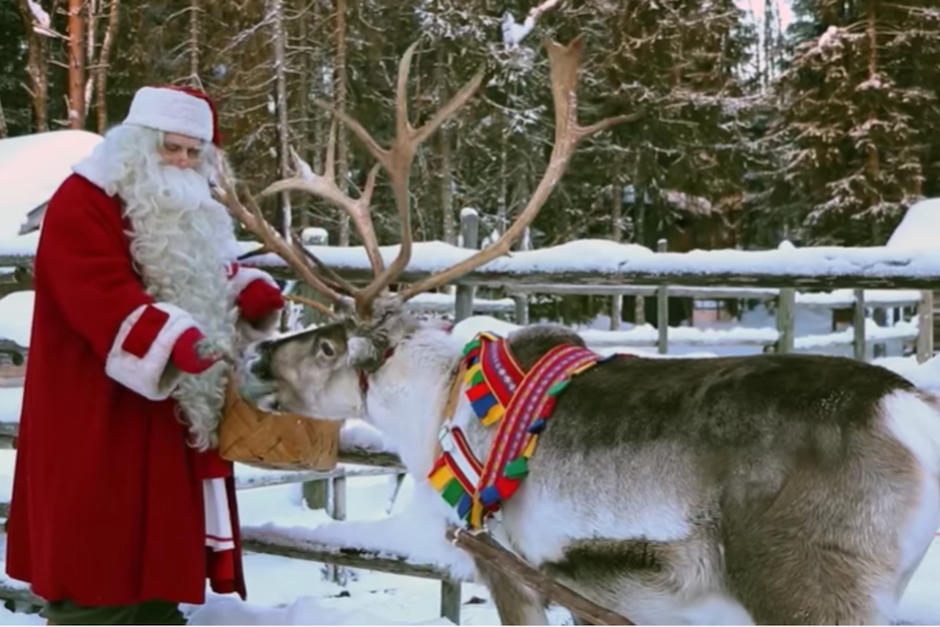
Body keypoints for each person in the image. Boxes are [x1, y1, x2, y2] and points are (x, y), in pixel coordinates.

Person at [5, 85, 285, 624]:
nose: (181, 161)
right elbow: (99, 292)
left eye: (192, 152)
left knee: (156, 569)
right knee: (97, 570)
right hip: (95, 416)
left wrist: (241, 292)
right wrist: (181, 339)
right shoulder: (81, 202)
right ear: (136, 143)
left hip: (163, 417)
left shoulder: (184, 207)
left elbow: (193, 273)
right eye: (169, 147)